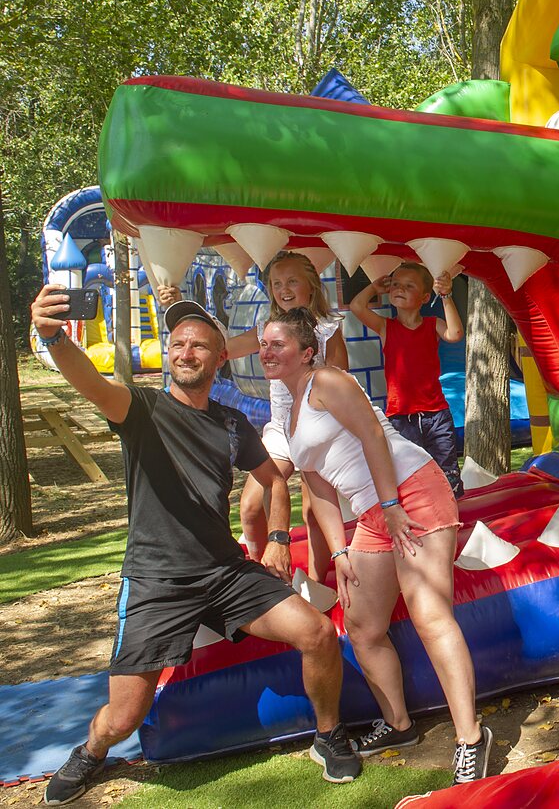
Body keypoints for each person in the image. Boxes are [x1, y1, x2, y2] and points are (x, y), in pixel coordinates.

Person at [29, 288, 361, 805]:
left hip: (226, 572)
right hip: (157, 581)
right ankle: (91, 752)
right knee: (122, 718)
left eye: (199, 346)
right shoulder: (140, 408)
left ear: (220, 357)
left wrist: (277, 539)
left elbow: (274, 481)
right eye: (178, 343)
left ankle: (328, 734)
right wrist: (52, 336)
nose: (185, 352)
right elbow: (90, 383)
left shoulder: (231, 424)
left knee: (317, 633)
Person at [260, 306, 491, 785]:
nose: (265, 351)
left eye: (276, 343)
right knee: (363, 626)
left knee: (429, 615)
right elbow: (318, 487)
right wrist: (340, 552)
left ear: (306, 353)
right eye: (263, 343)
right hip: (374, 512)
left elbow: (373, 437)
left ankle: (471, 737)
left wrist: (389, 503)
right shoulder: (290, 407)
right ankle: (399, 725)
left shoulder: (329, 381)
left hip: (411, 489)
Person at [157, 250, 349, 579]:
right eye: (276, 283)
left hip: (317, 427)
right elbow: (221, 349)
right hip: (280, 428)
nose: (283, 289)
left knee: (313, 511)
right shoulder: (266, 328)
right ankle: (261, 579)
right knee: (249, 507)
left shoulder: (328, 328)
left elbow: (340, 381)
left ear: (311, 286)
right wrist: (181, 308)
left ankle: (318, 582)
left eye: (292, 282)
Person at [349, 263, 465, 498]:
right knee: (410, 475)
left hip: (436, 415)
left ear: (424, 297)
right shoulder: (386, 327)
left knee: (447, 472)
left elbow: (455, 334)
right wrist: (374, 286)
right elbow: (357, 306)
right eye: (396, 285)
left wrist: (446, 296)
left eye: (408, 286)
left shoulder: (433, 325)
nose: (399, 289)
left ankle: (453, 515)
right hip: (401, 418)